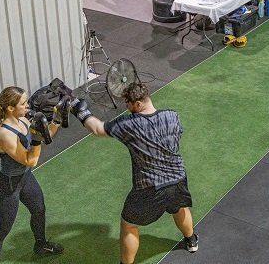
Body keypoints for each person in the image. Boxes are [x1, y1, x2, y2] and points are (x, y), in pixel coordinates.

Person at [68, 84, 199, 264]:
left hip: (150, 188)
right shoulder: (172, 115)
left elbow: (98, 129)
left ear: (137, 103)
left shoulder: (129, 124)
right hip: (178, 178)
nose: (127, 108)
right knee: (179, 207)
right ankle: (191, 240)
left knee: (129, 224)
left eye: (128, 104)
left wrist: (79, 111)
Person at [0, 87, 63, 263]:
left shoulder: (22, 120)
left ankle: (40, 245)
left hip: (25, 179)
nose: (27, 106)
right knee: (0, 232)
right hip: (8, 186)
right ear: (11, 108)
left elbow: (45, 136)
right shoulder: (4, 133)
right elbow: (30, 160)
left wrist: (56, 120)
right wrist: (36, 138)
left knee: (39, 210)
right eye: (23, 103)